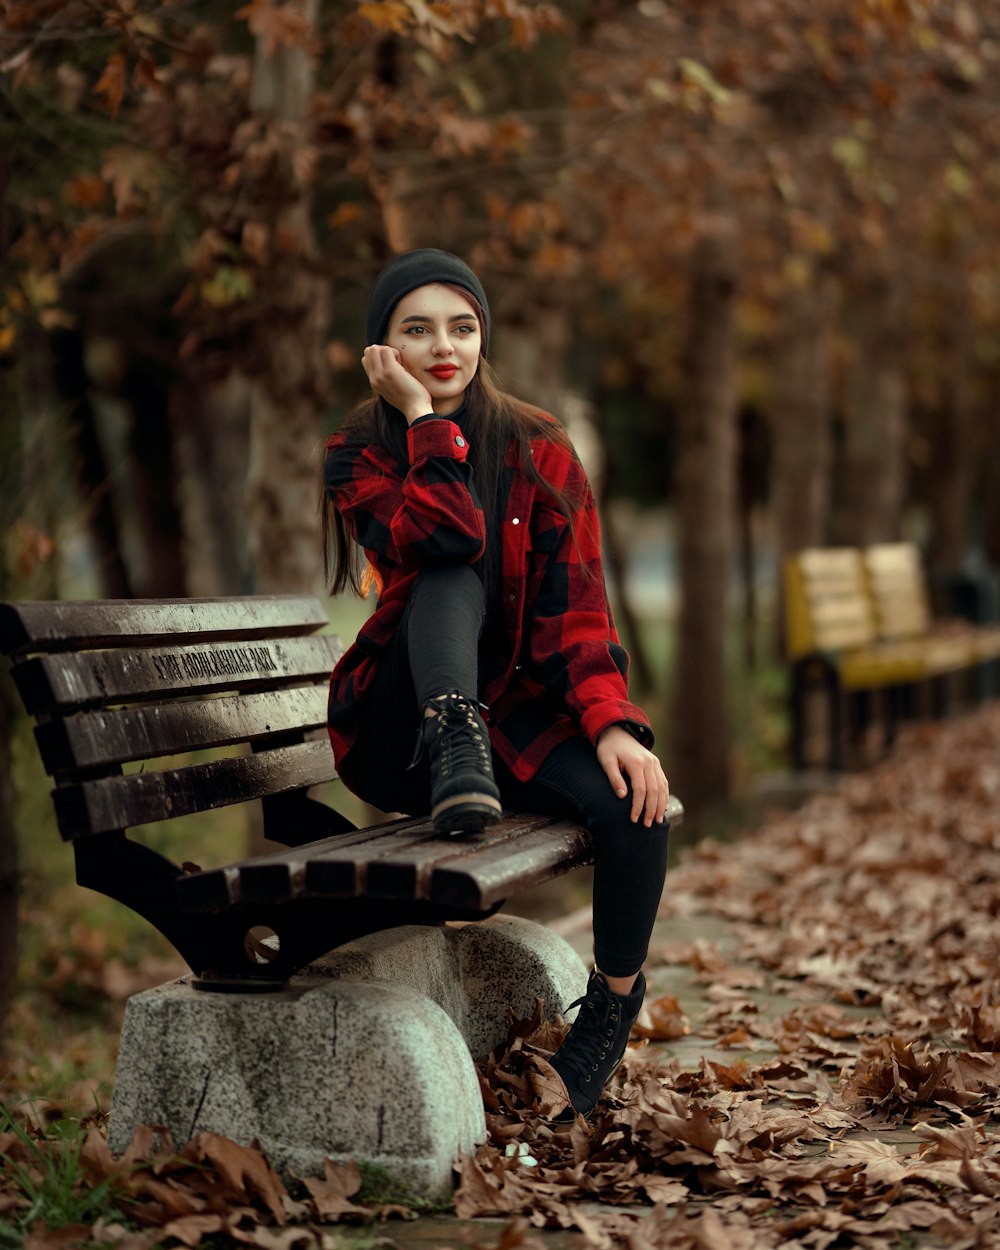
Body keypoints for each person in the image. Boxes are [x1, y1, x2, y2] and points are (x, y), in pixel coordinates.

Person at [322, 248, 671, 1118]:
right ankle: (455, 735)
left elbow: (579, 617)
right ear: (381, 348)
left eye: (462, 327)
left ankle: (606, 1022)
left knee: (638, 807)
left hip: (511, 728)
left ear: (485, 335)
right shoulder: (359, 451)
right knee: (450, 571)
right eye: (416, 330)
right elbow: (439, 539)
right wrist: (417, 418)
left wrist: (612, 727)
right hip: (399, 735)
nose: (444, 347)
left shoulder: (542, 450)